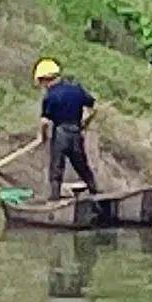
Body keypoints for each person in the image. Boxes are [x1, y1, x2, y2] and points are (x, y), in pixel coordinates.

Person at [33, 56, 99, 198]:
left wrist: (42, 137)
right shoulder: (76, 89)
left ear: (45, 79)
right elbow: (95, 107)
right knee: (81, 165)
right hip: (76, 133)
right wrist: (85, 123)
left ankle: (55, 200)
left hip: (61, 134)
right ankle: (95, 192)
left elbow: (44, 122)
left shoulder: (50, 96)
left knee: (56, 168)